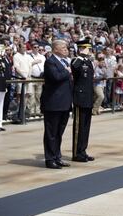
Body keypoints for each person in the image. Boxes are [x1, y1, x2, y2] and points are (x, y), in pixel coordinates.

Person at [40, 40, 72, 169]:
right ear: (56, 49)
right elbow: (55, 77)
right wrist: (67, 71)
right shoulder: (50, 61)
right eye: (63, 47)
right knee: (51, 132)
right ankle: (50, 159)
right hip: (53, 103)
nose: (66, 49)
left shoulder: (64, 61)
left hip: (64, 102)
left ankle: (57, 156)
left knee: (59, 132)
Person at [71, 38, 95, 162]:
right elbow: (74, 69)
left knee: (86, 127)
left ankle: (83, 150)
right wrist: (80, 56)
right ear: (80, 49)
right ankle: (76, 153)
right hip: (80, 98)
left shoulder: (89, 62)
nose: (89, 51)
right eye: (87, 48)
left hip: (88, 97)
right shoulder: (76, 61)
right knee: (78, 127)